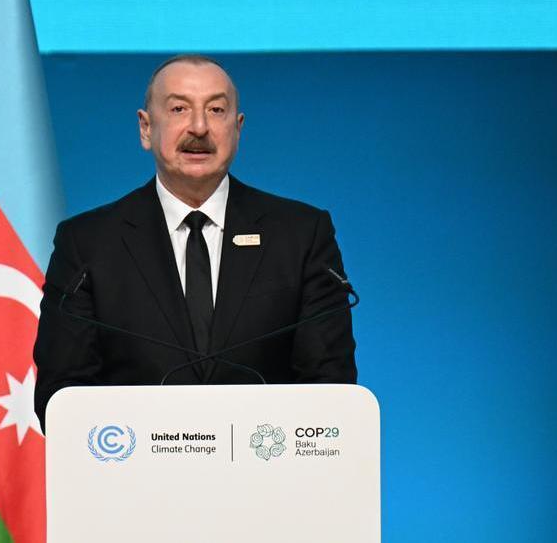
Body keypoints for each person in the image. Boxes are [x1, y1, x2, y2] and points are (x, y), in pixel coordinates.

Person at [33, 54, 357, 427]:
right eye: (179, 109)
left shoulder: (301, 235)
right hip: (134, 480)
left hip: (266, 475)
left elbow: (330, 390)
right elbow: (63, 397)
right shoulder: (88, 244)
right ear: (145, 127)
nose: (199, 127)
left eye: (216, 110)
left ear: (238, 129)